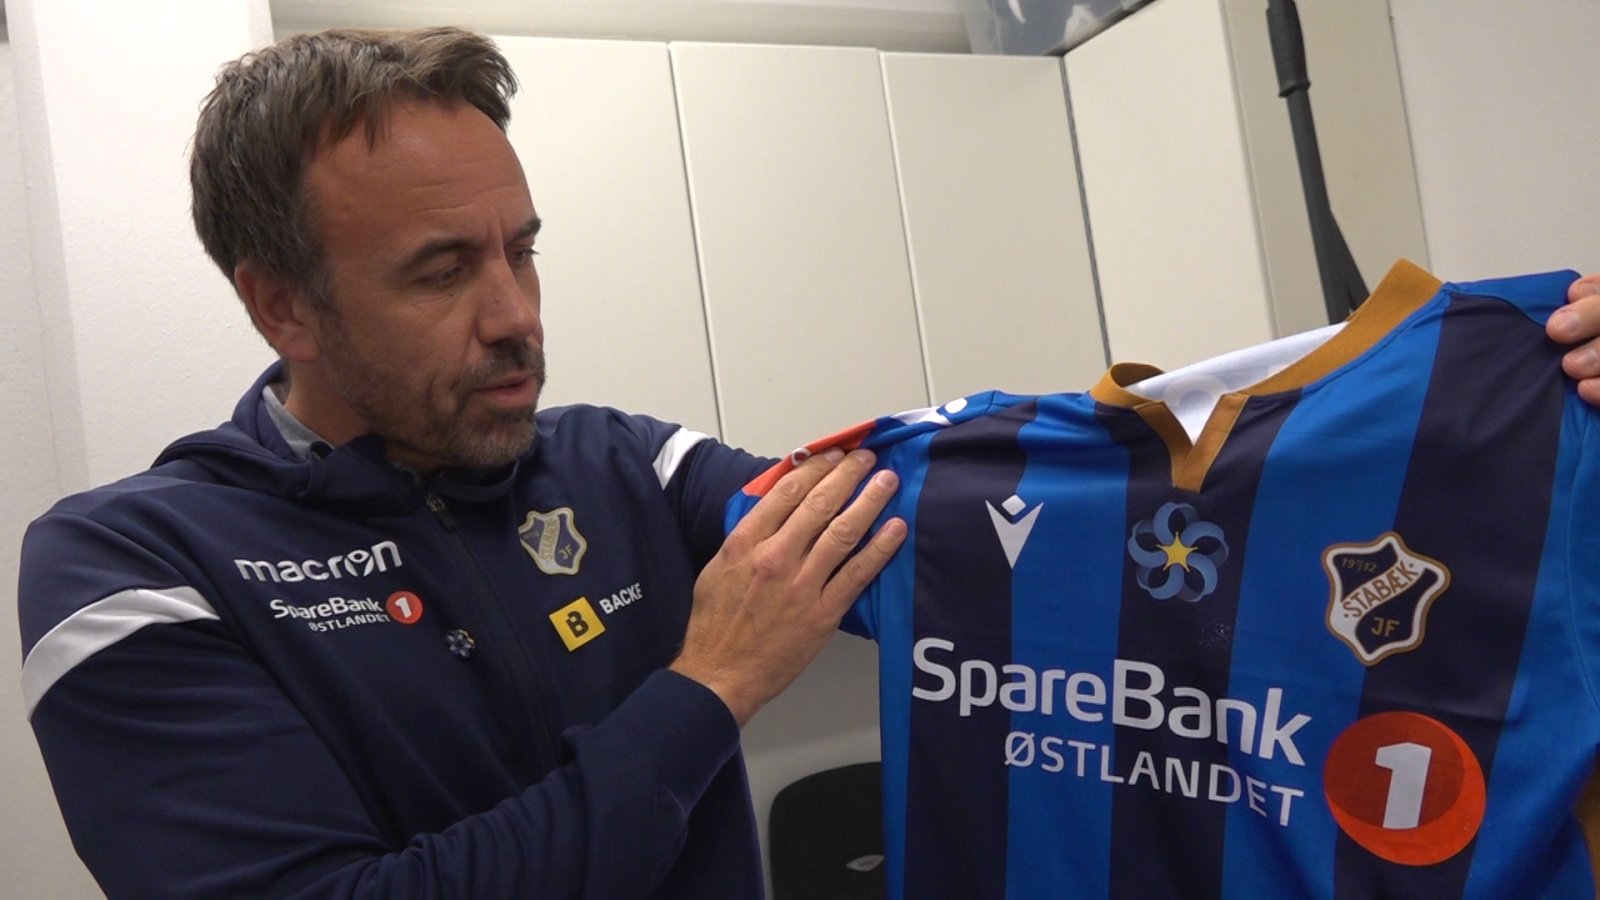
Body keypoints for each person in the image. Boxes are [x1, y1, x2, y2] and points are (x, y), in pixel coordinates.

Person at [13, 26, 1600, 898]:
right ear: (280, 303)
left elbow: (981, 519)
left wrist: (1495, 415)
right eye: (443, 272)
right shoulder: (130, 568)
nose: (517, 317)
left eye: (524, 250)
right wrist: (707, 689)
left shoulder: (621, 467)